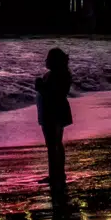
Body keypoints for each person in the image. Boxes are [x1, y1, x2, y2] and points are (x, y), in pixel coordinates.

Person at [36, 48, 73, 192]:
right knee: (56, 143)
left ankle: (54, 175)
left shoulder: (56, 76)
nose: (46, 61)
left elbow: (52, 94)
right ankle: (58, 174)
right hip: (54, 111)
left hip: (52, 112)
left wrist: (40, 87)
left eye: (48, 58)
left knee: (53, 145)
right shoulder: (60, 74)